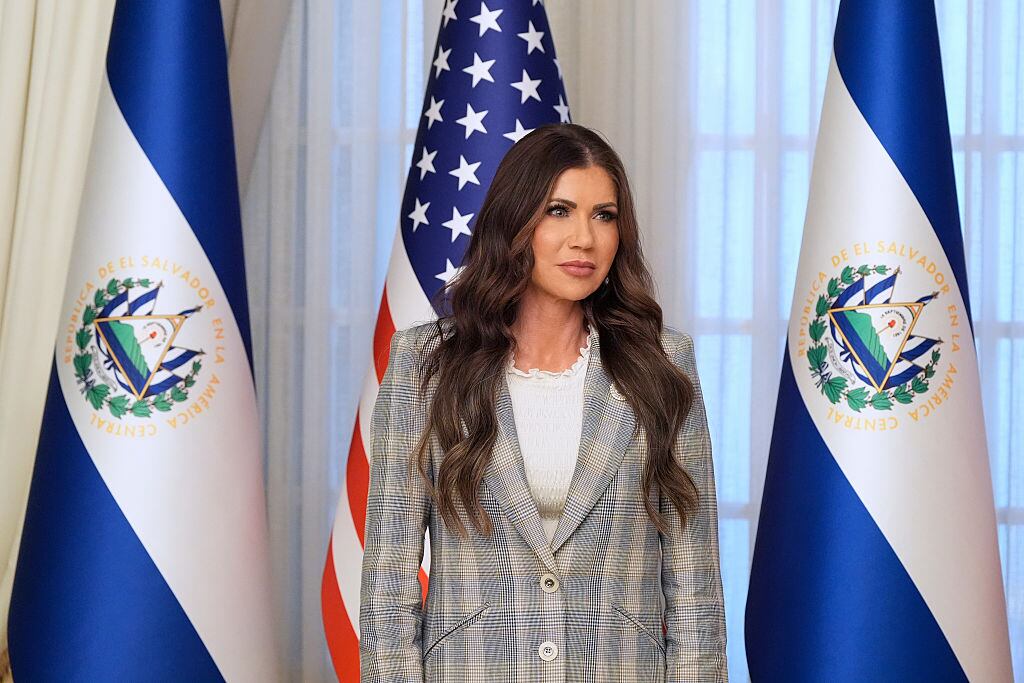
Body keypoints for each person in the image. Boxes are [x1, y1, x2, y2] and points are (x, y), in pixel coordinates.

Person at [359, 123, 727, 682]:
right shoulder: (426, 364)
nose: (585, 237)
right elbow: (388, 576)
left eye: (604, 215)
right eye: (559, 210)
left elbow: (694, 584)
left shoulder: (663, 363)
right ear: (515, 221)